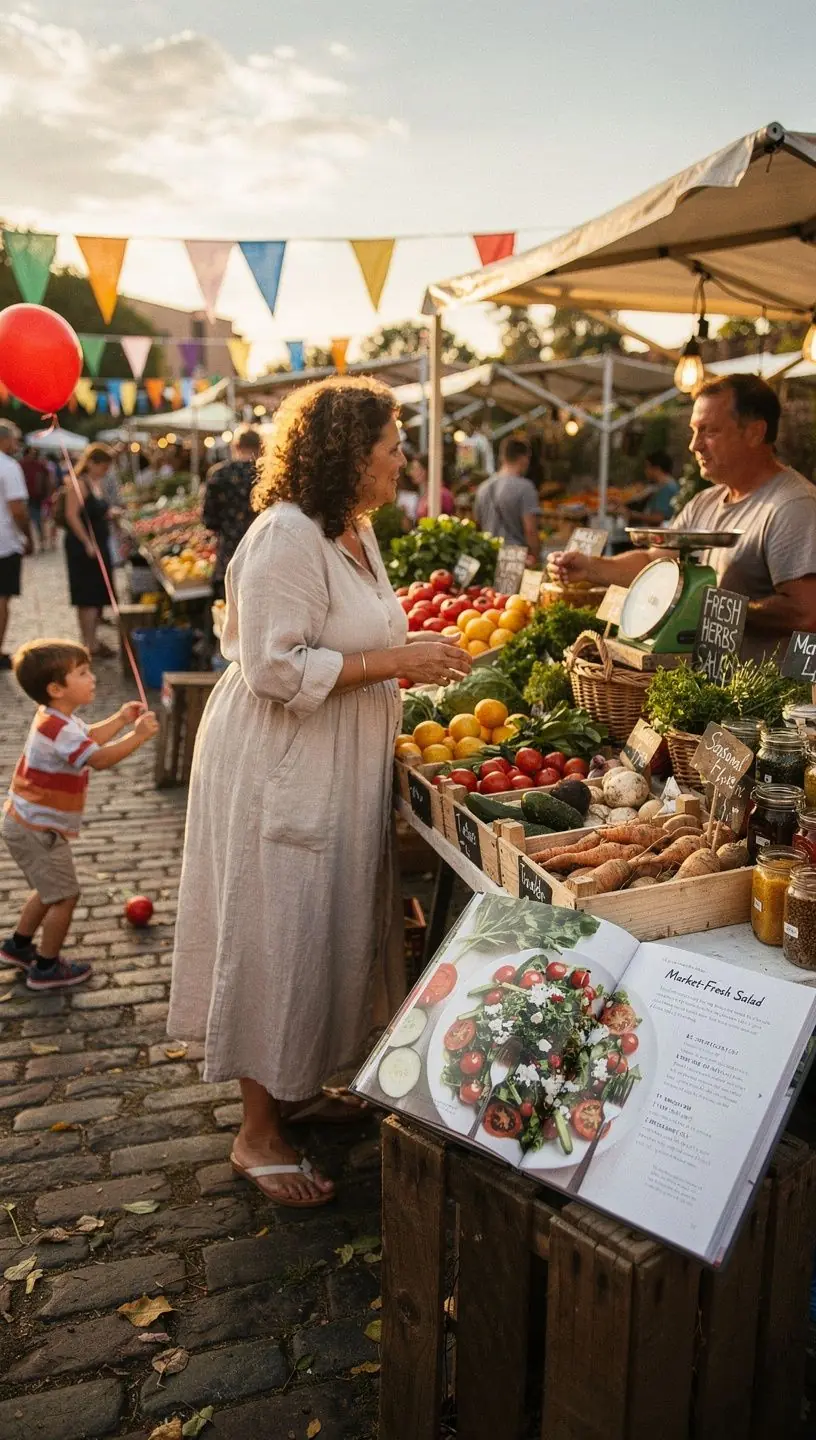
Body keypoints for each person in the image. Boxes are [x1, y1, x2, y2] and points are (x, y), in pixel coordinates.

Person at [167, 376, 471, 1208]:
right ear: (348, 453)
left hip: (334, 755)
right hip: (281, 760)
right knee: (277, 925)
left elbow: (366, 629)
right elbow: (273, 666)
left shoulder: (356, 532)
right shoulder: (284, 536)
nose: (402, 459)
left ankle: (297, 1086)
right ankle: (256, 1131)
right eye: (392, 446)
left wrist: (413, 654)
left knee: (320, 923)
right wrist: (395, 664)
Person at [548, 374, 816, 658]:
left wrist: (708, 605)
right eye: (693, 431)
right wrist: (590, 567)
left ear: (754, 433)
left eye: (709, 431)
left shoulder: (793, 505)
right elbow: (655, 561)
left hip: (765, 697)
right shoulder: (705, 501)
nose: (694, 445)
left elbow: (805, 612)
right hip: (710, 689)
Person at [1, 640, 159, 989]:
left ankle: (18, 946)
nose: (93, 678)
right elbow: (98, 758)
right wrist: (139, 736)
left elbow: (88, 738)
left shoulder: (57, 719)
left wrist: (119, 719)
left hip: (26, 823)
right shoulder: (57, 727)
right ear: (56, 689)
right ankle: (45, 967)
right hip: (36, 828)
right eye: (83, 673)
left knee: (47, 889)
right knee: (64, 895)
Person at [63, 444, 117, 658]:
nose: (105, 471)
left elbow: (96, 511)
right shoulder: (79, 484)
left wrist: (110, 513)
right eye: (103, 467)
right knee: (87, 594)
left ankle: (92, 640)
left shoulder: (96, 483)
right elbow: (71, 515)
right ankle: (88, 642)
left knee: (97, 593)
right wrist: (87, 542)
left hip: (98, 544)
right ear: (92, 463)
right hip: (84, 547)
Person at [202, 426, 263, 599]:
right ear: (260, 447)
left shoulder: (218, 474)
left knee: (230, 611)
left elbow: (208, 520)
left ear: (236, 446)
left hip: (230, 555)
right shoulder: (267, 474)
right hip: (263, 555)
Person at [473, 437, 541, 565]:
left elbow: (477, 525)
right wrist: (536, 559)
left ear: (502, 457)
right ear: (524, 458)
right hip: (516, 561)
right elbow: (530, 530)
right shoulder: (526, 488)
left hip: (489, 558)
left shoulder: (482, 487)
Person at [0, 421, 31, 671]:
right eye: (15, 439)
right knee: (1, 599)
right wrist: (28, 536)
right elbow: (17, 509)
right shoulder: (8, 467)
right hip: (4, 543)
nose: (16, 444)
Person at [20, 447, 50, 551]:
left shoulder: (39, 465)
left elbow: (47, 477)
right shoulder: (20, 465)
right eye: (31, 453)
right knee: (24, 521)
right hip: (23, 497)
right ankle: (28, 544)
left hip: (36, 497)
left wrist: (47, 493)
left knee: (38, 521)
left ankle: (42, 542)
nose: (33, 455)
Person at [410, 453, 455, 519]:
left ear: (427, 470)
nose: (412, 472)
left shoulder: (442, 494)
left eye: (416, 469)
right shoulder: (428, 493)